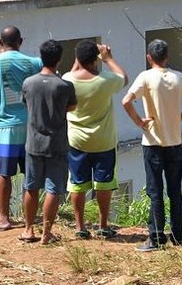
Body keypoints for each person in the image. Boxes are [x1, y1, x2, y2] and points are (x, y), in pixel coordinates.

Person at [122, 39, 182, 251]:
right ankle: (178, 236)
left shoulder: (145, 77)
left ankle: (156, 237)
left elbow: (126, 101)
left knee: (155, 191)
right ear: (167, 57)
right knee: (175, 191)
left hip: (152, 143)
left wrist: (139, 121)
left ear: (148, 58)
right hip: (175, 143)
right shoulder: (178, 77)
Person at [0, 26, 41, 232]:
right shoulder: (34, 62)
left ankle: (3, 218)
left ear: (1, 43)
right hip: (31, 126)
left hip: (5, 127)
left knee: (3, 173)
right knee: (30, 173)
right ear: (21, 41)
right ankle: (29, 218)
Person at [63, 40, 127, 240]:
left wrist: (78, 58)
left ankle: (80, 226)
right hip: (104, 140)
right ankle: (103, 225)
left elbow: (71, 74)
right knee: (104, 183)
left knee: (77, 184)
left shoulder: (67, 80)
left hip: (77, 141)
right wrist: (108, 58)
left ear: (78, 59)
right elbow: (123, 78)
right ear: (95, 60)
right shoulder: (106, 80)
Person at [20, 40, 77, 244]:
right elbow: (71, 107)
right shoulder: (64, 85)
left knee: (31, 186)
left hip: (33, 143)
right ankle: (46, 233)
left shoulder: (28, 83)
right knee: (53, 189)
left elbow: (26, 104)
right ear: (59, 59)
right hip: (57, 143)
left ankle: (28, 229)